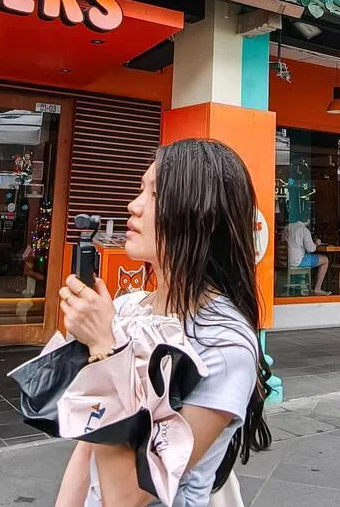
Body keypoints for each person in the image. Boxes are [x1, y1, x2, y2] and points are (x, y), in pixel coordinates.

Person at [55, 139, 271, 506]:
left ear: (199, 215)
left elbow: (126, 496)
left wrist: (103, 351)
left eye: (155, 194)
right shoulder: (125, 309)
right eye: (141, 189)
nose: (133, 205)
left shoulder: (224, 343)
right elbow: (87, 448)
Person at [285, 218, 331, 296]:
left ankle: (303, 285)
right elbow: (311, 249)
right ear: (307, 222)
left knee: (312, 257)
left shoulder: (288, 227)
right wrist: (317, 243)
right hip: (298, 261)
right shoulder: (304, 230)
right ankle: (317, 289)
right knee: (325, 259)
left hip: (287, 260)